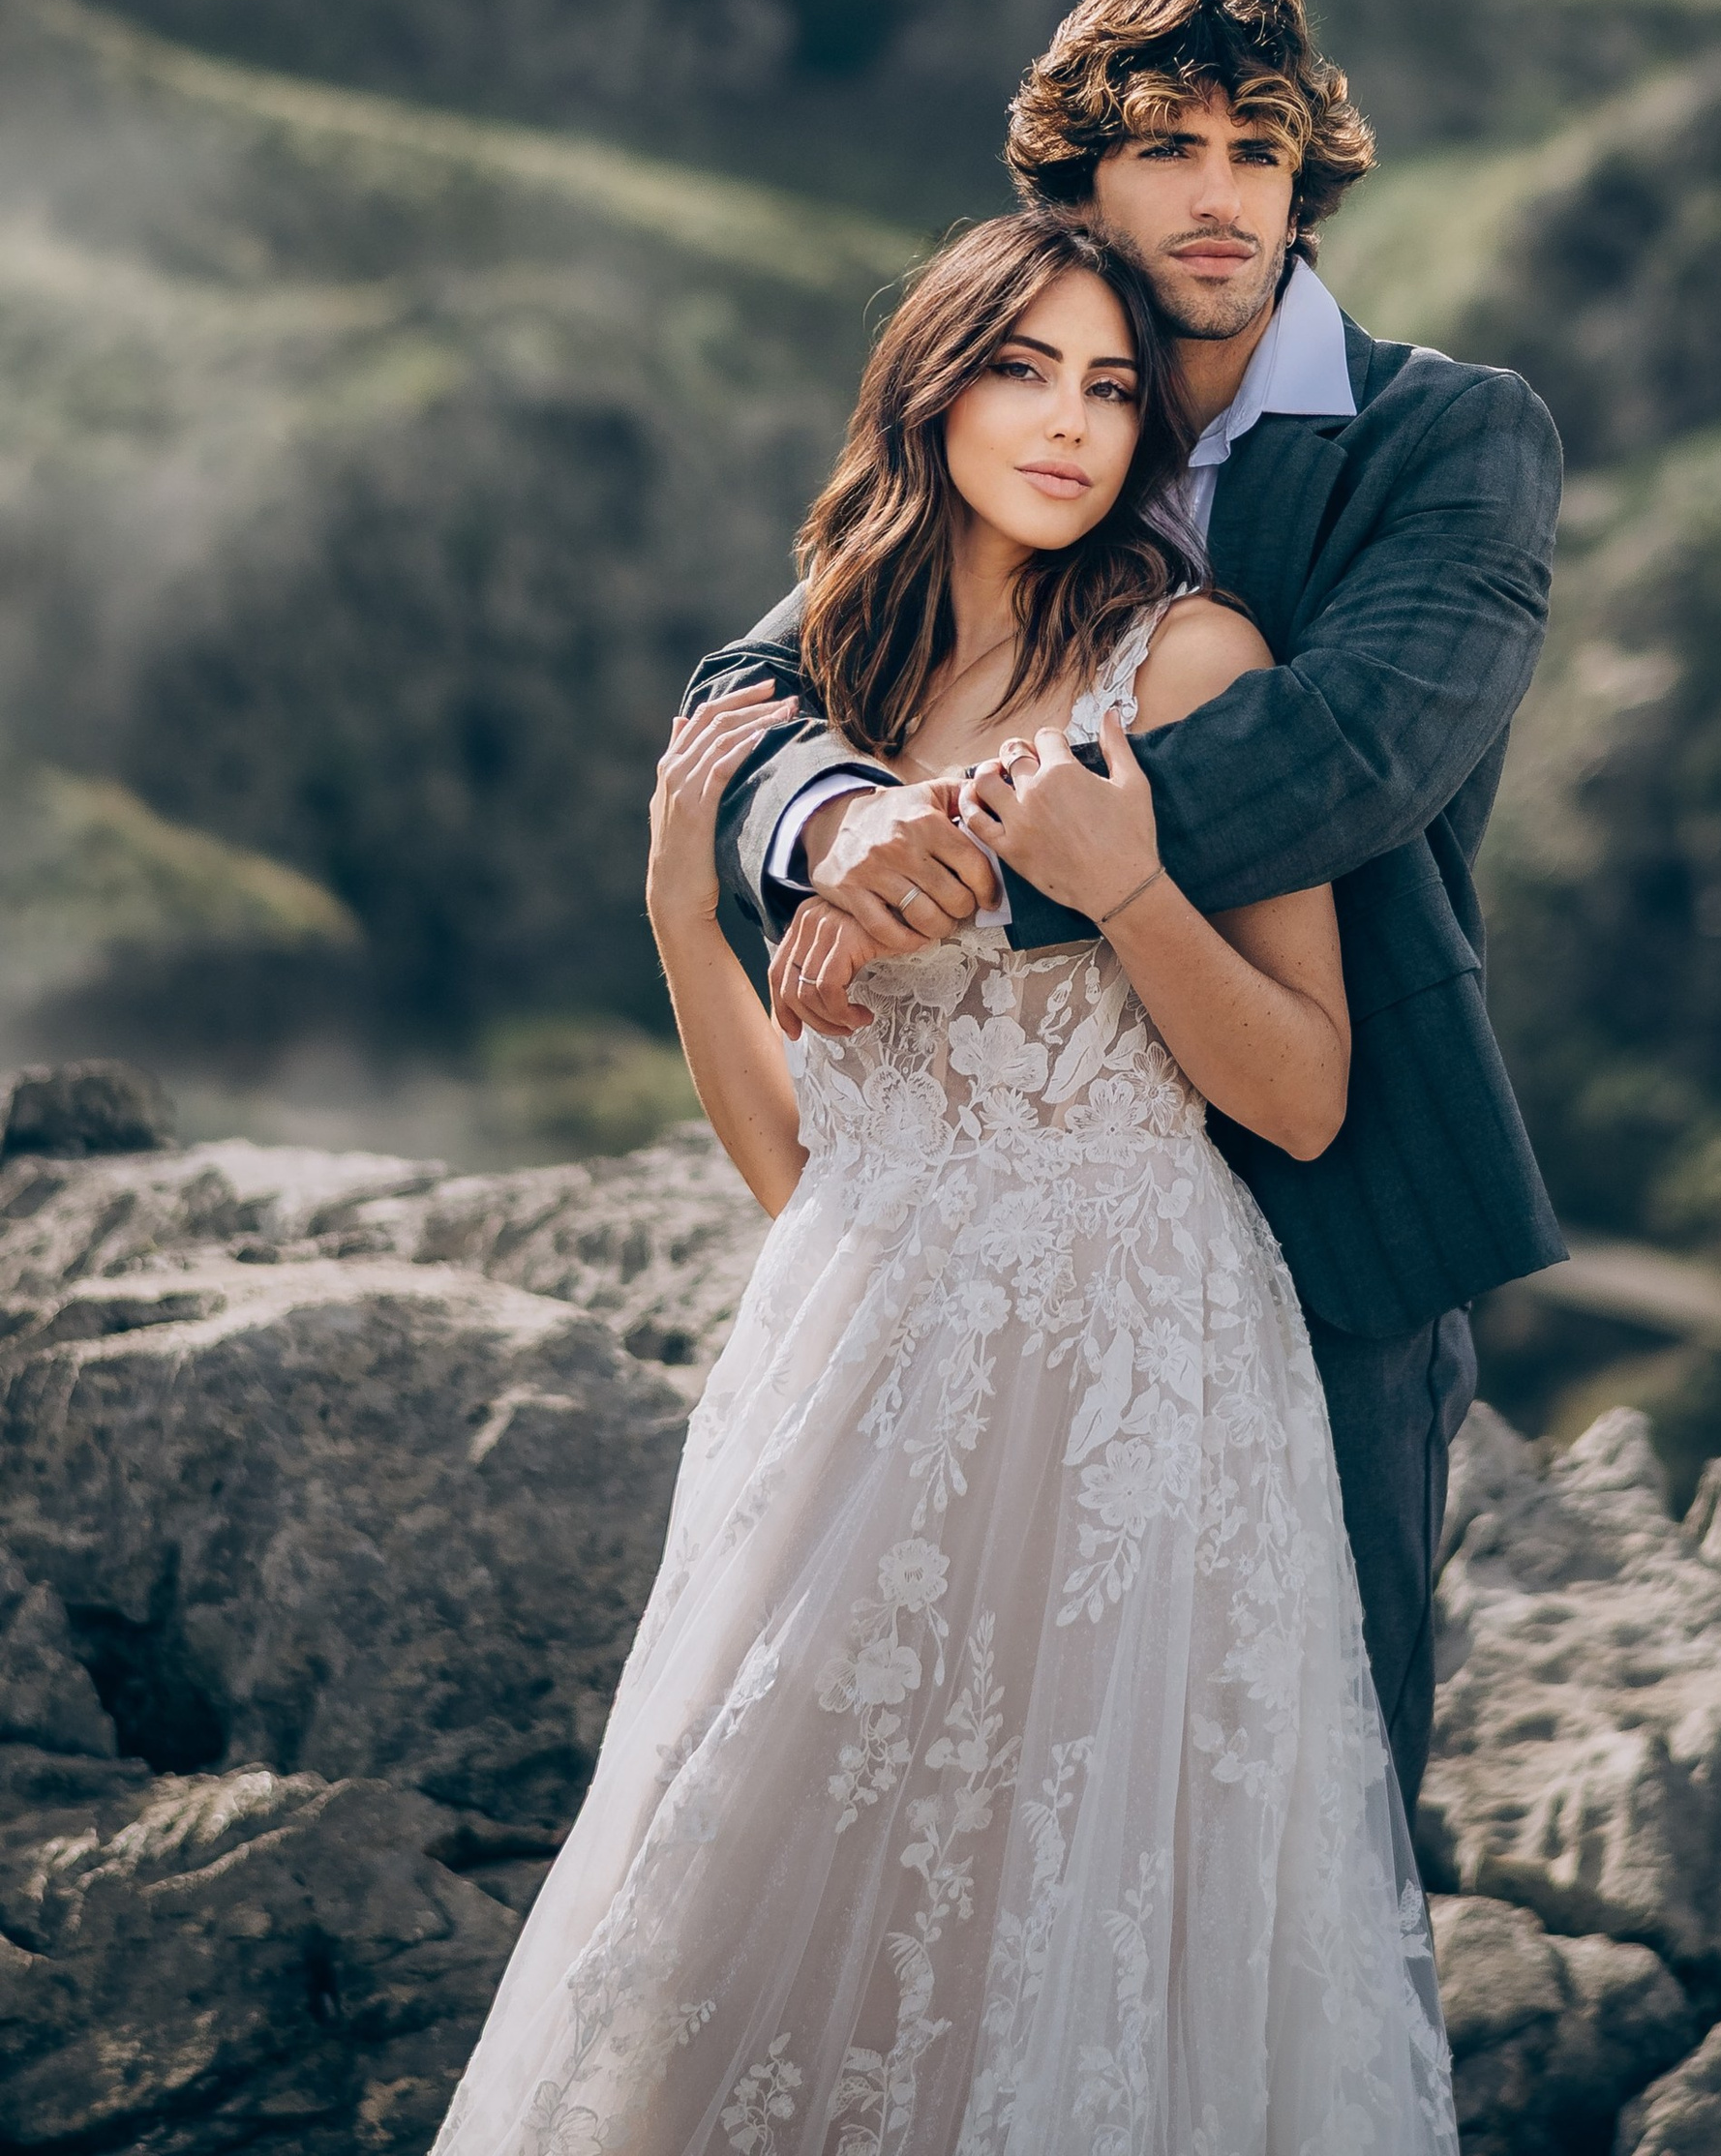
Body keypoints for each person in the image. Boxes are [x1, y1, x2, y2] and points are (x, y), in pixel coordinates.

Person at [436, 211, 1458, 2156]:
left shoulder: (1189, 661)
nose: (1069, 424)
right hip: (852, 1356)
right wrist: (679, 900)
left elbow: (1307, 1093)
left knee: (1062, 1909)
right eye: (1023, 369)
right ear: (931, 382)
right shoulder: (830, 662)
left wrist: (1126, 881)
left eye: (1107, 386)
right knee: (753, 1874)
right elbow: (801, 1169)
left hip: (1127, 1369)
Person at [699, 0, 1566, 1805]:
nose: (1221, 196)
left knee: (1298, 1806)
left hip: (1326, 1202)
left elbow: (1356, 750)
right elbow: (743, 698)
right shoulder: (1026, 433)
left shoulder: (1450, 438)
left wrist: (966, 884)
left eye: (1259, 150)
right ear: (1072, 189)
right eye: (1167, 148)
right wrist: (835, 822)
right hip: (987, 1257)